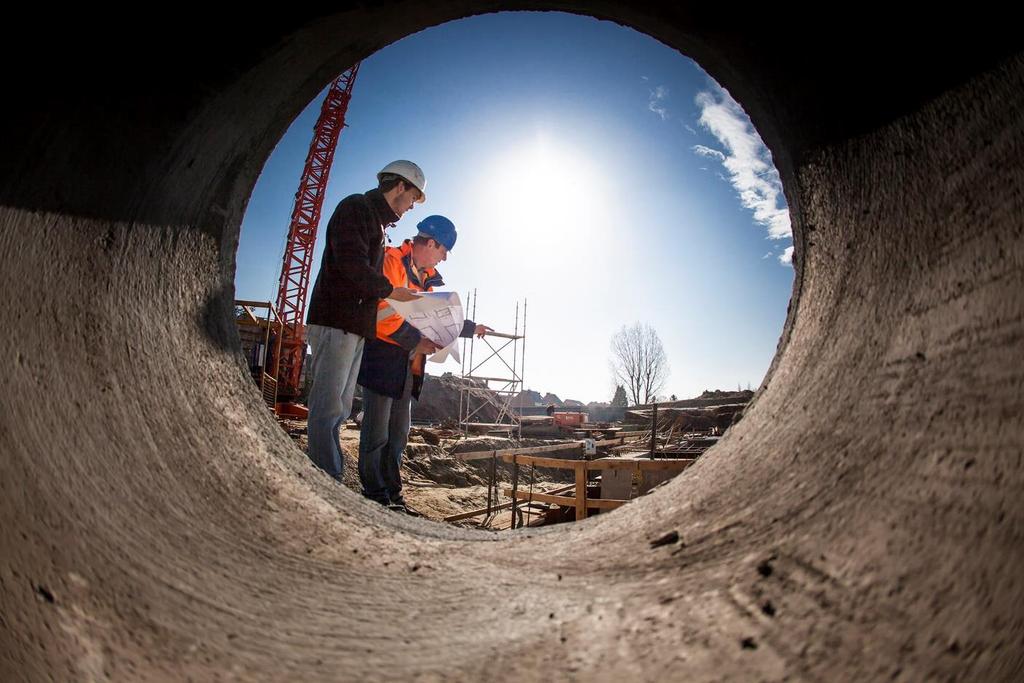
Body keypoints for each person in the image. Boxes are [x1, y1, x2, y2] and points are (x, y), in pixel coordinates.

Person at [357, 215, 492, 512]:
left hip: (409, 365)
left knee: (397, 437)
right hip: (382, 358)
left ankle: (394, 498)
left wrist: (470, 328)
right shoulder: (392, 261)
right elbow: (382, 311)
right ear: (431, 243)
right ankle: (375, 497)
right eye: (443, 251)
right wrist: (414, 341)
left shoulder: (427, 278)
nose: (443, 259)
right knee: (376, 434)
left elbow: (435, 316)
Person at [304, 160, 426, 482]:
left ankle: (329, 477)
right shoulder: (356, 208)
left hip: (355, 326)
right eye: (413, 197)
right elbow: (350, 262)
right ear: (400, 186)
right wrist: (391, 292)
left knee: (341, 409)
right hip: (336, 319)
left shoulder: (380, 225)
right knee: (328, 407)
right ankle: (326, 480)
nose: (412, 206)